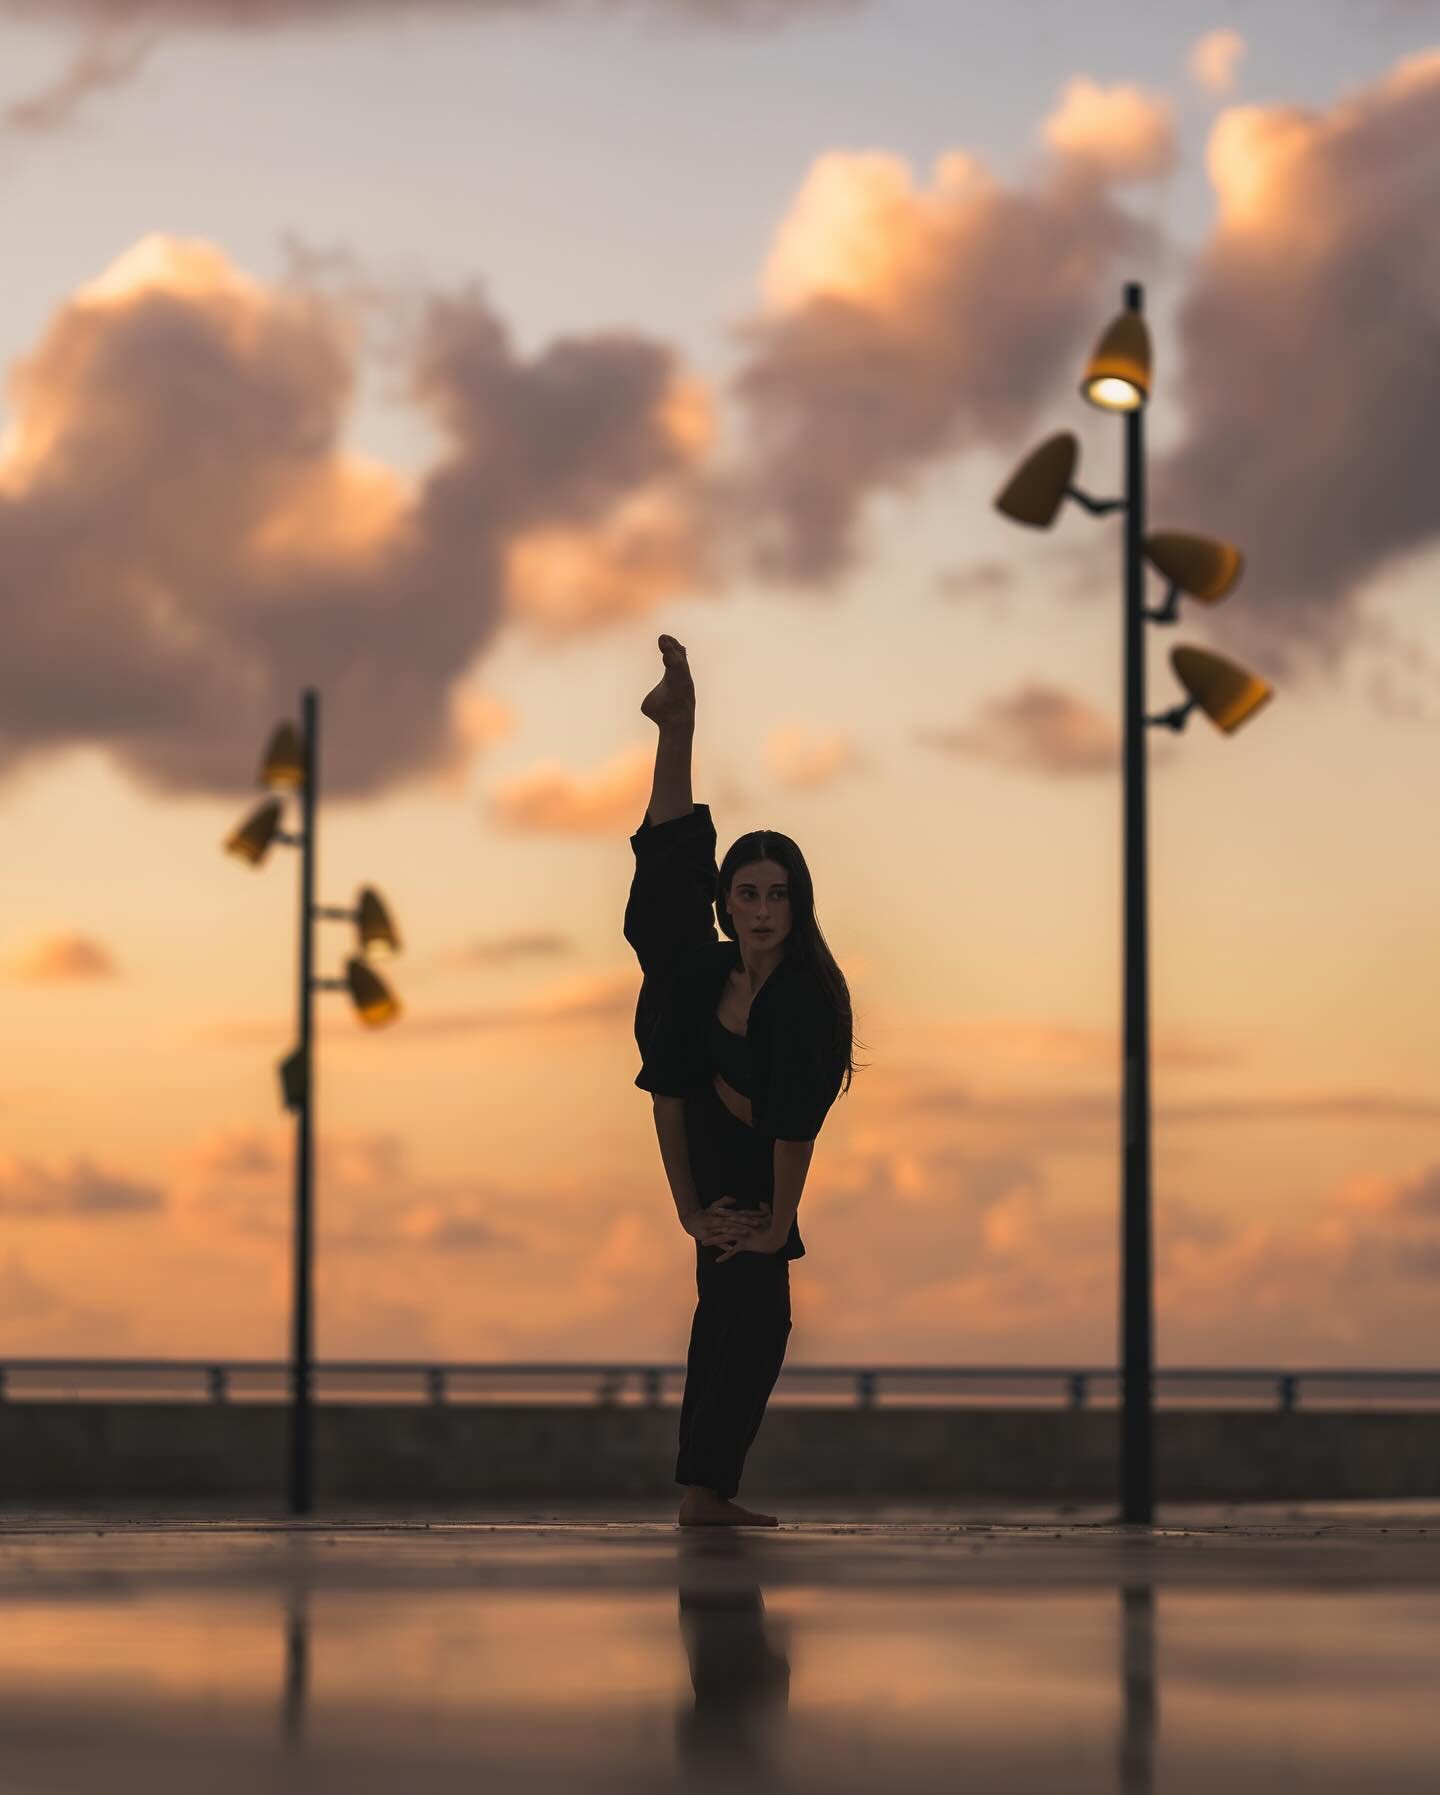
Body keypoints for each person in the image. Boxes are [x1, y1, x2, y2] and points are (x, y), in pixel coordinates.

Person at [624, 633, 859, 1527]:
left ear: (797, 906)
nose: (761, 909)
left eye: (777, 895)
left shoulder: (806, 999)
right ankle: (675, 728)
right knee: (663, 907)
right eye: (748, 894)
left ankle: (704, 1492)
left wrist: (779, 1223)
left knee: (748, 1312)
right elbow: (669, 1098)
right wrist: (689, 1209)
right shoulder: (700, 976)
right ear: (733, 903)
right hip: (712, 1145)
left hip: (767, 1156)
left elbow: (795, 1126)